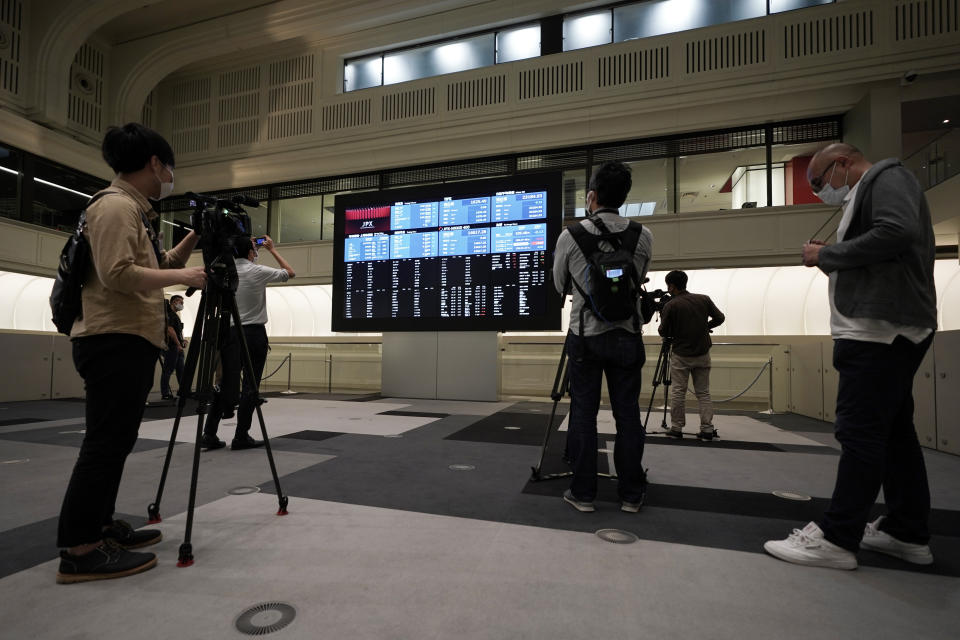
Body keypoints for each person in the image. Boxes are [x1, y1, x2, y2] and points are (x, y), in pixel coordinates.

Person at [764, 143, 937, 570]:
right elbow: (884, 247)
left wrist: (827, 254)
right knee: (895, 434)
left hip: (878, 331)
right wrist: (832, 256)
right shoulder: (874, 188)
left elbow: (896, 232)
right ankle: (905, 530)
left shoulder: (887, 177)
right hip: (886, 328)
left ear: (841, 162)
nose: (822, 191)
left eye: (820, 182)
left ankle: (839, 537)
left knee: (860, 434)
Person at [56, 123, 207, 584]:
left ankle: (100, 529)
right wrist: (188, 279)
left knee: (116, 440)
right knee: (105, 441)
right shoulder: (116, 207)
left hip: (127, 337)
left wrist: (192, 240)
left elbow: (151, 267)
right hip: (112, 337)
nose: (170, 176)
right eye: (169, 167)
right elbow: (119, 274)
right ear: (155, 163)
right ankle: (80, 549)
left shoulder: (135, 212)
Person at [552, 160, 653, 513]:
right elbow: (638, 278)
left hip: (586, 335)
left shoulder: (570, 235)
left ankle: (583, 494)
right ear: (624, 197)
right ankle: (631, 494)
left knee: (583, 413)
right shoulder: (643, 235)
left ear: (591, 196)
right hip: (627, 334)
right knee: (628, 415)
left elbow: (558, 284)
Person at [201, 235, 295, 451]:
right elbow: (290, 272)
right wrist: (272, 249)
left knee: (224, 383)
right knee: (250, 386)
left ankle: (209, 433)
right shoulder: (258, 271)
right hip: (253, 334)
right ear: (252, 252)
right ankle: (241, 435)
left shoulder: (224, 273)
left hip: (229, 333)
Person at [657, 270, 725, 441]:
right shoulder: (703, 299)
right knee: (703, 393)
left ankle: (677, 428)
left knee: (678, 392)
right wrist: (705, 326)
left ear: (671, 286)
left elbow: (663, 330)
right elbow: (720, 317)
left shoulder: (671, 305)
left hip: (681, 354)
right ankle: (707, 429)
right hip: (702, 353)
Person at [160, 294, 186, 400]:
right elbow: (170, 330)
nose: (182, 305)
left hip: (177, 347)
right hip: (171, 346)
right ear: (174, 301)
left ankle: (184, 391)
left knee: (181, 370)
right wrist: (178, 344)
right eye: (181, 302)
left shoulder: (176, 316)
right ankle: (165, 393)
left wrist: (182, 340)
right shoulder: (169, 314)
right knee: (168, 370)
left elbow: (178, 331)